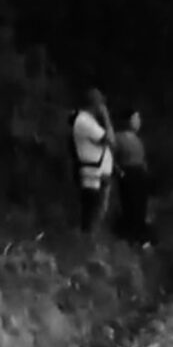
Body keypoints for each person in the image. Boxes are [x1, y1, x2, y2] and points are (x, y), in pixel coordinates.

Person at [71, 88, 116, 236]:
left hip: (98, 171)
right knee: (92, 209)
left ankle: (91, 239)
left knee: (96, 209)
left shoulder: (89, 121)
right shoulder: (85, 121)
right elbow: (110, 139)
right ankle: (87, 240)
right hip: (91, 172)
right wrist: (106, 117)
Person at [115, 108, 151, 247]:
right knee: (130, 205)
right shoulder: (119, 137)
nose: (138, 122)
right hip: (128, 173)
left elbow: (142, 159)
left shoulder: (137, 139)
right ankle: (130, 235)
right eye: (136, 118)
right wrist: (119, 172)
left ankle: (140, 235)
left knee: (141, 206)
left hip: (140, 174)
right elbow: (112, 156)